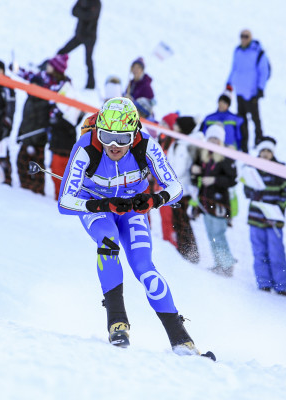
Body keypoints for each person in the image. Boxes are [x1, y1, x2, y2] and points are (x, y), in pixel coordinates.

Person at [57, 97, 214, 359]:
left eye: (122, 139)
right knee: (108, 243)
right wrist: (101, 204)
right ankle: (117, 322)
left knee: (144, 266)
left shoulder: (146, 146)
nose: (113, 145)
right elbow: (64, 202)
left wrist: (154, 200)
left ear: (135, 134)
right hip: (97, 210)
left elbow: (175, 187)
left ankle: (180, 338)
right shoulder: (86, 147)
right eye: (106, 136)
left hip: (132, 211)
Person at [243, 137, 286, 294]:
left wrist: (278, 209)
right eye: (263, 151)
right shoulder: (252, 168)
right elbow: (246, 191)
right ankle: (263, 281)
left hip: (273, 220)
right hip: (256, 218)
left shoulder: (281, 170)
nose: (265, 154)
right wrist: (252, 190)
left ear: (273, 153)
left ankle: (280, 285)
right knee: (259, 251)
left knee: (276, 253)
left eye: (268, 151)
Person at [15, 54, 70, 195]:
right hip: (30, 129)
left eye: (51, 65)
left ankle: (38, 191)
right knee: (23, 161)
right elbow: (30, 76)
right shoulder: (43, 77)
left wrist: (53, 116)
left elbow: (63, 105)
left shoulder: (60, 85)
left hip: (42, 132)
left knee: (37, 164)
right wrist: (16, 69)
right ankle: (26, 188)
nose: (48, 66)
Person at [193, 124, 237, 276]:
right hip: (206, 201)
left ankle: (227, 264)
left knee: (219, 234)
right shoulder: (205, 155)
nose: (213, 141)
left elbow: (232, 179)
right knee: (211, 234)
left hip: (220, 203)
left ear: (221, 141)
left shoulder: (225, 157)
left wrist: (215, 180)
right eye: (210, 138)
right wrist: (196, 170)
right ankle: (219, 263)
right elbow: (199, 173)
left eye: (216, 139)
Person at [160, 115, 201, 264]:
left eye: (177, 125)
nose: (174, 127)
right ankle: (184, 249)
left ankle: (191, 252)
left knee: (182, 220)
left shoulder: (184, 145)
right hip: (175, 188)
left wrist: (169, 178)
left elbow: (180, 168)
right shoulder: (177, 142)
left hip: (183, 190)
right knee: (177, 220)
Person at [225, 29, 270, 152]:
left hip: (252, 93)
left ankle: (258, 142)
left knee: (256, 119)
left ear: (251, 37)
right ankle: (244, 145)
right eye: (241, 36)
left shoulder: (258, 53)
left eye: (246, 36)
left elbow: (264, 72)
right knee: (242, 120)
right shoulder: (238, 51)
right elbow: (234, 68)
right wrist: (229, 83)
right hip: (240, 91)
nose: (243, 39)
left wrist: (260, 88)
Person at [57, 0, 101, 89]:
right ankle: (49, 68)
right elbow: (73, 11)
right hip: (79, 35)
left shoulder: (96, 3)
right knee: (62, 51)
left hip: (90, 37)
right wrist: (84, 12)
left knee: (88, 61)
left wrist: (81, 11)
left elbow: (89, 16)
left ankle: (91, 84)